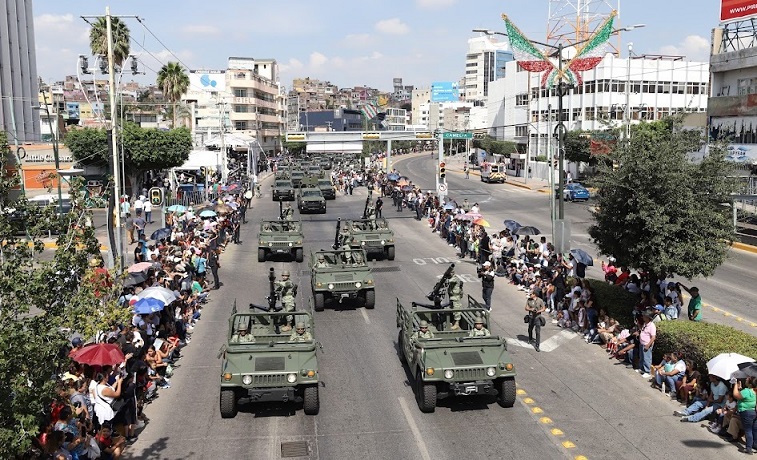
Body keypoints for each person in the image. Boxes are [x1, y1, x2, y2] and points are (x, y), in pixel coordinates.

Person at [733, 376, 757, 454]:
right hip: (754, 412)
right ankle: (755, 445)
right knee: (754, 429)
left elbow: (736, 395)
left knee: (748, 430)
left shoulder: (747, 391)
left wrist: (735, 384)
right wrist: (740, 388)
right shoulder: (755, 390)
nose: (745, 380)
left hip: (746, 412)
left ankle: (748, 448)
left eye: (747, 379)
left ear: (750, 383)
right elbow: (743, 397)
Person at [637, 311, 656, 379]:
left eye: (644, 316)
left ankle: (647, 371)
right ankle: (641, 369)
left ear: (648, 317)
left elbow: (653, 337)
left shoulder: (652, 325)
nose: (643, 317)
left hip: (647, 344)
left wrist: (648, 345)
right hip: (642, 343)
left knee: (646, 358)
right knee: (642, 357)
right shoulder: (645, 323)